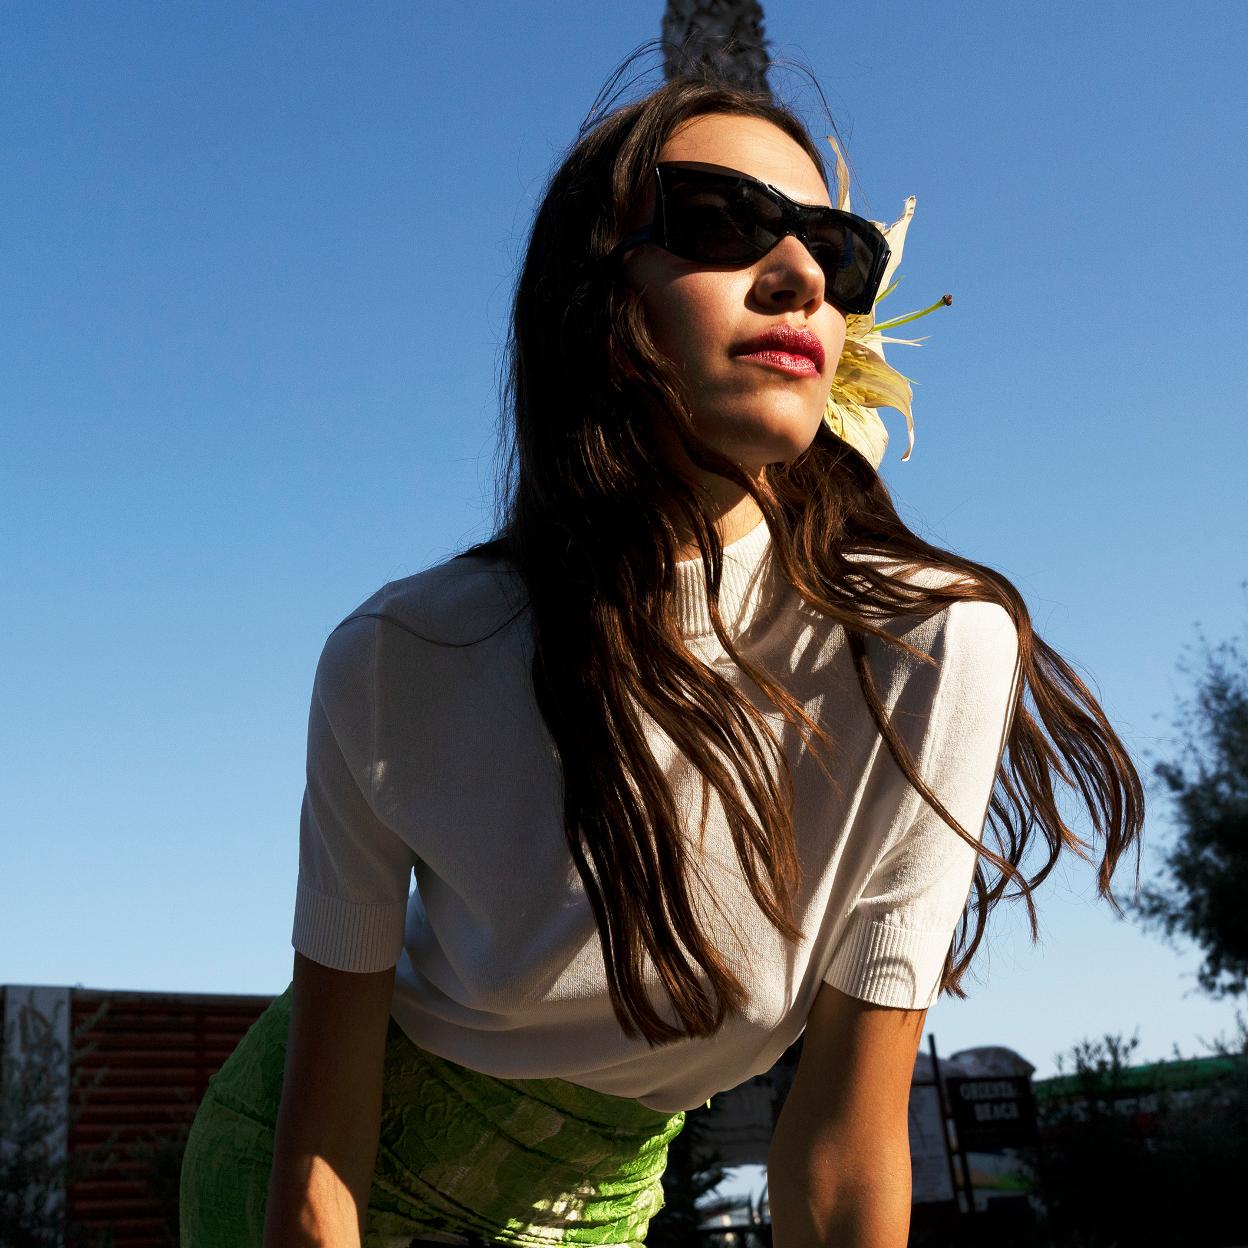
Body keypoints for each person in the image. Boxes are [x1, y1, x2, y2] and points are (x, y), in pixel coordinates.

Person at [178, 65, 1143, 1248]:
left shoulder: (931, 650)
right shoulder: (402, 659)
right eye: (722, 222)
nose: (799, 277)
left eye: (837, 254)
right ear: (593, 298)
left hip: (598, 1204)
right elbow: (319, 1139)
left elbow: (843, 1152)